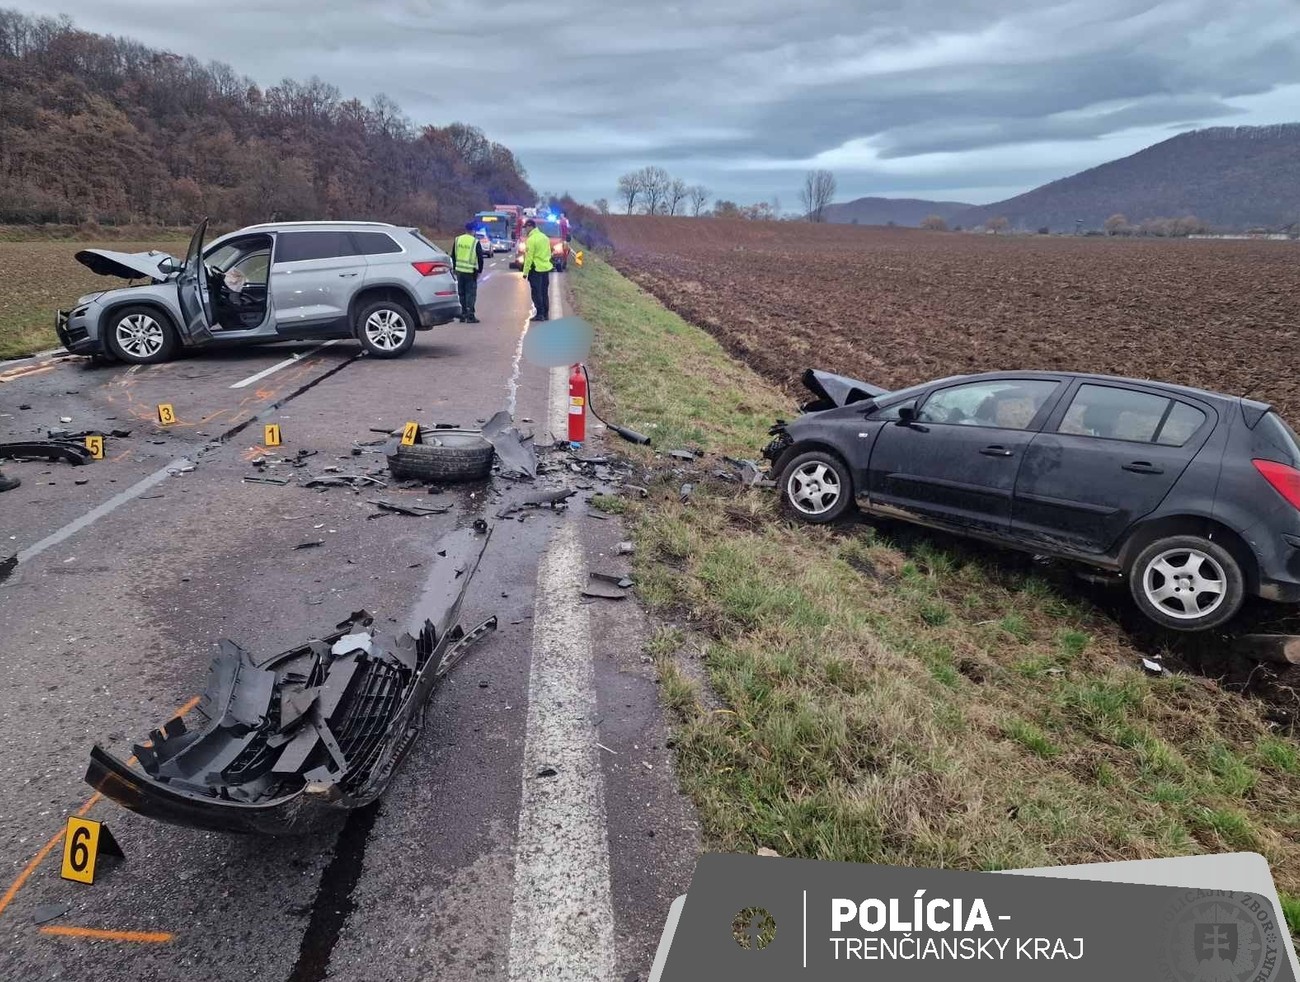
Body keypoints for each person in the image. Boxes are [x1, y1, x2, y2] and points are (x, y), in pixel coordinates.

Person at [451, 221, 487, 323]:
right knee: (470, 294)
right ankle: (470, 315)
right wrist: (480, 271)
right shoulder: (475, 242)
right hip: (470, 272)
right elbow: (480, 258)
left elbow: (453, 255)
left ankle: (463, 314)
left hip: (459, 271)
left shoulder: (457, 239)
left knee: (461, 293)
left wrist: (454, 268)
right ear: (473, 231)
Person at [521, 218, 554, 321]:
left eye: (525, 228)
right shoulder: (545, 237)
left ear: (530, 226)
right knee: (544, 292)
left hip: (535, 269)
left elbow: (529, 257)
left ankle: (539, 314)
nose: (525, 230)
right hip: (545, 268)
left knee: (536, 292)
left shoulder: (531, 239)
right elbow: (549, 253)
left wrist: (525, 272)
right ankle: (545, 313)